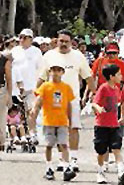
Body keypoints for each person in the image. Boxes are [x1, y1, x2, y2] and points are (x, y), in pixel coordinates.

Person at [38, 29, 96, 172]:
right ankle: (62, 159)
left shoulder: (78, 56)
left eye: (66, 41)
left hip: (73, 98)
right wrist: (37, 96)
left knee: (73, 128)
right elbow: (42, 77)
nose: (63, 44)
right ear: (57, 40)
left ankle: (74, 159)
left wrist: (94, 94)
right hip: (54, 100)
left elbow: (88, 77)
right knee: (58, 130)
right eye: (61, 41)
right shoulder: (49, 56)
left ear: (71, 42)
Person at [31, 63, 76, 181]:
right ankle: (49, 167)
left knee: (64, 144)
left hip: (62, 120)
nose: (56, 73)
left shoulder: (66, 87)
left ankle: (66, 167)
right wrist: (35, 111)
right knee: (49, 145)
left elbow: (68, 105)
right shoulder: (45, 86)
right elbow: (39, 100)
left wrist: (70, 120)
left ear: (62, 72)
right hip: (49, 120)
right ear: (49, 72)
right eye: (53, 70)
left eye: (58, 70)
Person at [92, 64, 124, 185]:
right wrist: (98, 108)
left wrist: (122, 115)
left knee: (116, 148)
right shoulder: (103, 88)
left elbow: (118, 103)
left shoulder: (116, 88)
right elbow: (94, 103)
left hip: (114, 125)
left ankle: (121, 171)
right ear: (111, 76)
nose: (121, 76)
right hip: (101, 125)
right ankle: (100, 172)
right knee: (101, 151)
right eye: (119, 74)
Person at [11, 28, 42, 144]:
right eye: (20, 37)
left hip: (31, 86)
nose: (22, 40)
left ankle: (33, 133)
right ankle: (18, 135)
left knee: (31, 111)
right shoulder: (14, 51)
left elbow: (41, 69)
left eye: (25, 37)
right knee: (15, 112)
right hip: (15, 88)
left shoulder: (36, 52)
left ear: (30, 39)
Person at [0, 52, 12, 151]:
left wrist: (9, 95)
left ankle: (1, 142)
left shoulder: (4, 60)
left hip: (1, 92)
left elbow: (9, 79)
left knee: (1, 120)